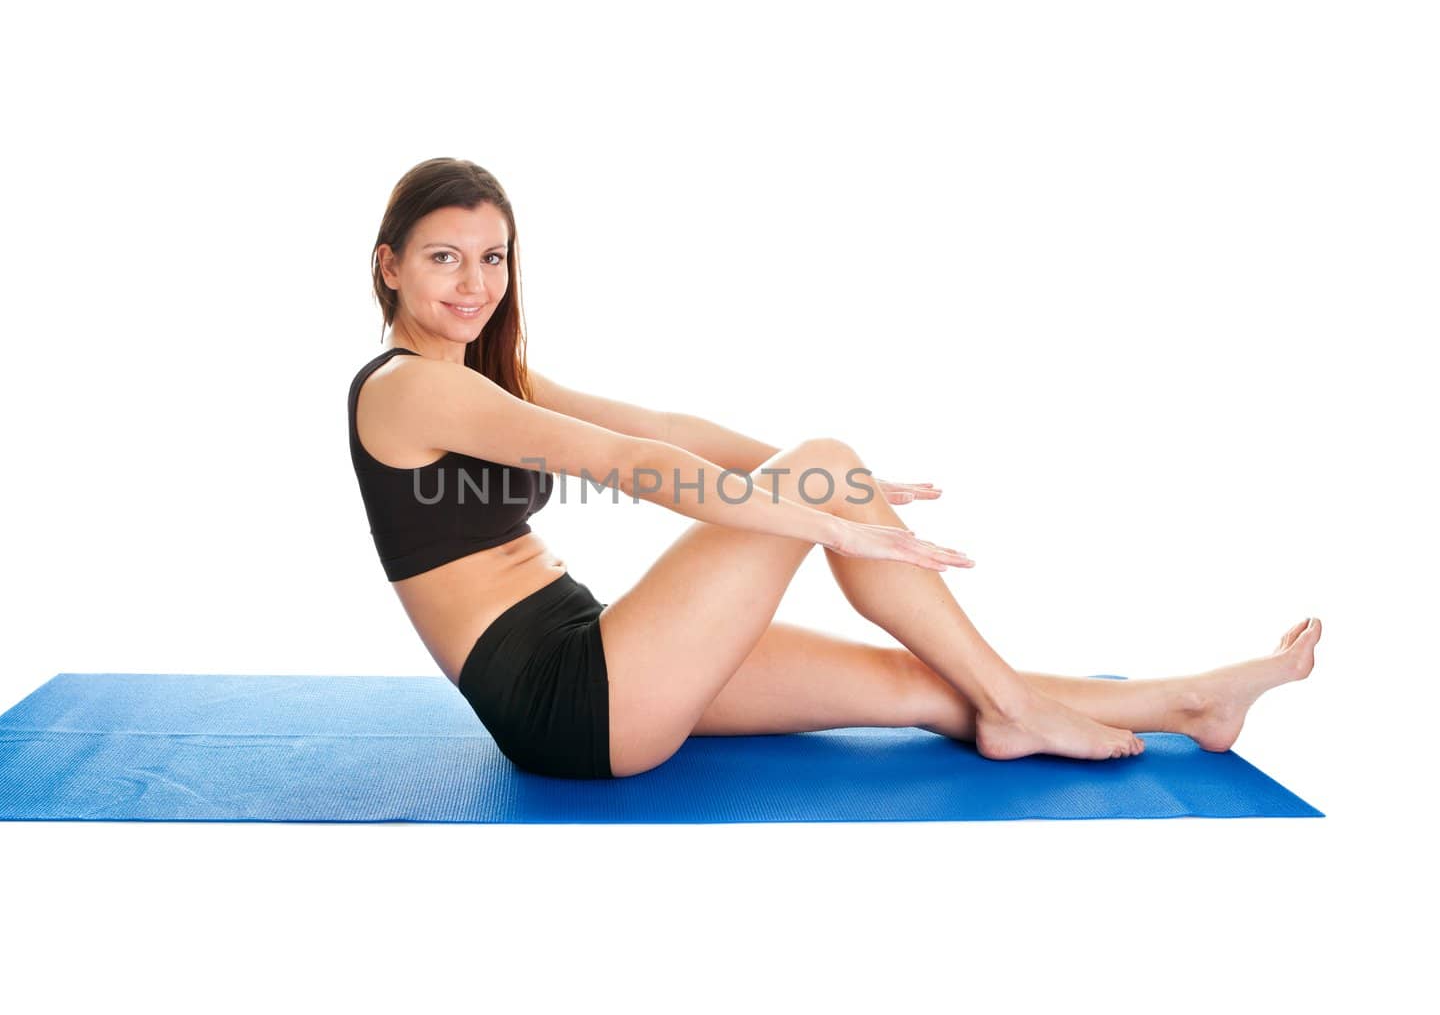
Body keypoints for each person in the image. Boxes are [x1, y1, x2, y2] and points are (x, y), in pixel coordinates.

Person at [348, 156, 1320, 780]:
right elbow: (627, 460)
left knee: (920, 680)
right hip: (573, 698)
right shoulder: (408, 388)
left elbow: (656, 420)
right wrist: (817, 508)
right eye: (445, 258)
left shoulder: (476, 374)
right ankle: (1019, 708)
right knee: (825, 472)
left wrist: (801, 480)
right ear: (389, 265)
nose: (476, 283)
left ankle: (1188, 699)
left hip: (602, 653)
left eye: (493, 257)